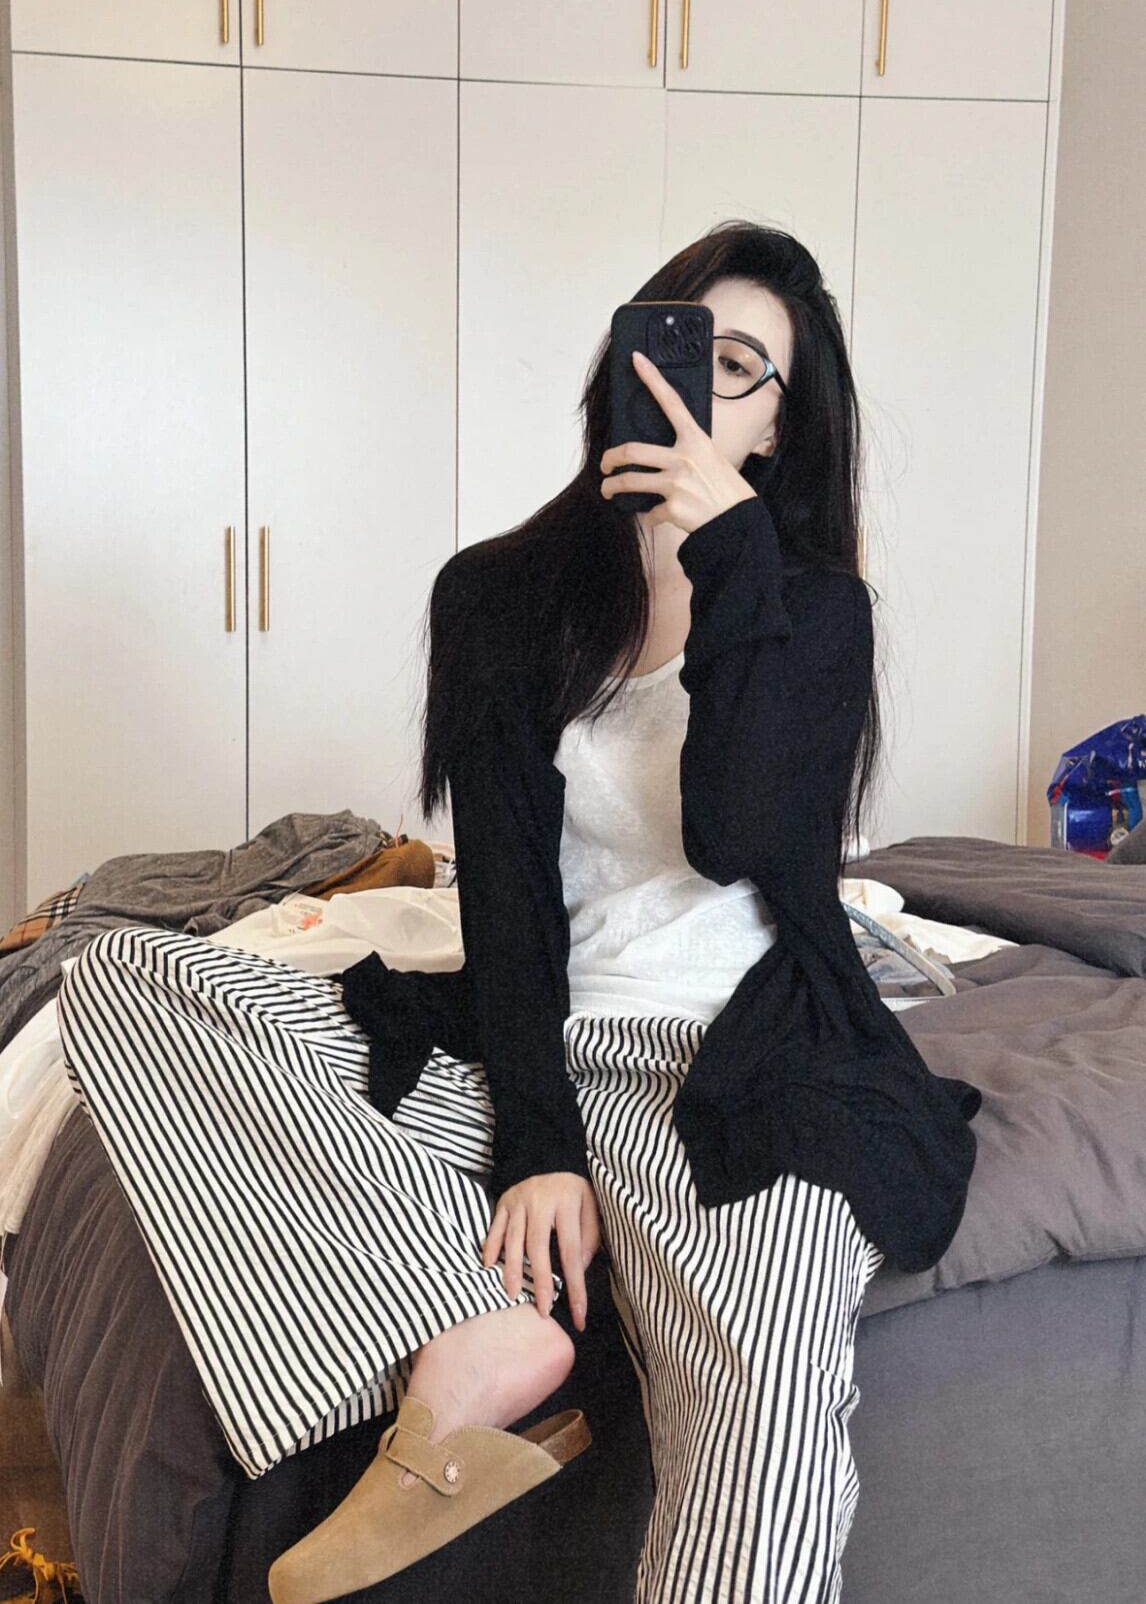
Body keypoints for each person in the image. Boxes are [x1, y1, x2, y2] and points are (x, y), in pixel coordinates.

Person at [56, 220, 980, 1604]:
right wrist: (538, 1152)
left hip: (738, 1064)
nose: (695, 383)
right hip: (531, 1046)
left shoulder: (814, 613)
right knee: (128, 979)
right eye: (676, 341)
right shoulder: (498, 596)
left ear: (778, 428)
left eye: (739, 365)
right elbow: (503, 898)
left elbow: (739, 836)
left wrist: (728, 558)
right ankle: (473, 1327)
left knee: (763, 1393)